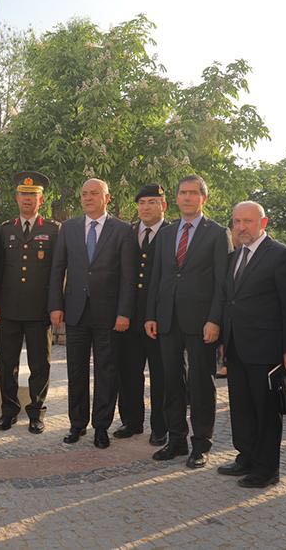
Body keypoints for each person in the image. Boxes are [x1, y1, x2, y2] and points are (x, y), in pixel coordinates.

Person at [145, 175, 232, 468]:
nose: (187, 198)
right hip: (167, 319)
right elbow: (156, 277)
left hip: (201, 323)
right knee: (171, 381)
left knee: (200, 383)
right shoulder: (167, 234)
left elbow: (223, 282)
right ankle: (177, 440)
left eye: (193, 193)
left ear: (203, 198)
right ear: (177, 197)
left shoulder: (218, 233)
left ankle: (201, 444)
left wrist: (215, 319)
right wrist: (151, 315)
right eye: (182, 193)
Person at [217, 201, 286, 488]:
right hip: (237, 347)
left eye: (248, 221)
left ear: (263, 224)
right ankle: (246, 457)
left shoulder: (281, 255)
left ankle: (267, 469)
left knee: (265, 411)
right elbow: (230, 301)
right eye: (237, 221)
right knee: (241, 407)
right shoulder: (234, 256)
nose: (241, 227)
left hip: (267, 350)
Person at [49, 178, 137, 449]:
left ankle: (101, 426)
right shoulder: (69, 228)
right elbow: (57, 269)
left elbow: (128, 277)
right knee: (75, 371)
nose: (88, 198)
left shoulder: (122, 230)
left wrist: (124, 313)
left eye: (94, 193)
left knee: (106, 371)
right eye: (84, 193)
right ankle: (77, 425)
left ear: (107, 198)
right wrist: (55, 305)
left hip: (108, 314)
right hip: (75, 312)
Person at [0, 172, 60, 434]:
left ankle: (37, 412)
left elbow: (57, 272)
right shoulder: (5, 229)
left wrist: (56, 306)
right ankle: (9, 410)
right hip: (9, 309)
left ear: (40, 199)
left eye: (33, 196)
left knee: (39, 364)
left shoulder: (53, 230)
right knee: (6, 363)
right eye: (24, 195)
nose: (28, 200)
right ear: (16, 197)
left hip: (38, 310)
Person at [114, 184, 169, 445]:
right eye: (142, 203)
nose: (146, 207)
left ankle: (161, 426)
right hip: (130, 316)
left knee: (161, 375)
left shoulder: (171, 233)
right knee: (128, 372)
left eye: (152, 202)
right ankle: (132, 421)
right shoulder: (129, 231)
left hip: (159, 319)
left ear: (163, 206)